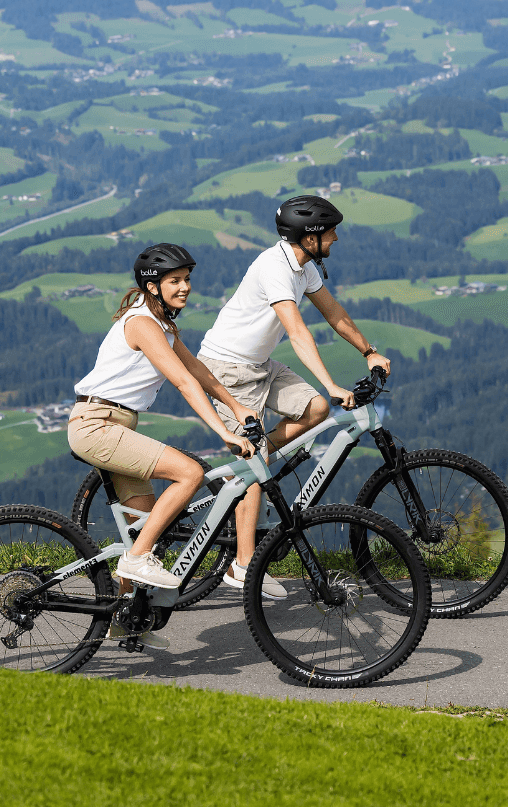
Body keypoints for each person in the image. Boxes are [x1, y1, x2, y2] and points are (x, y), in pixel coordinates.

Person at [196, 193, 393, 595]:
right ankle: (243, 565)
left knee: (315, 409)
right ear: (309, 237)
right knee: (259, 458)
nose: (337, 238)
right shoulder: (275, 268)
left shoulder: (304, 268)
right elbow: (298, 332)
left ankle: (251, 468)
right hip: (227, 370)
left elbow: (334, 313)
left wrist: (369, 351)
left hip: (261, 365)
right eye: (331, 232)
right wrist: (333, 384)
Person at [68, 242, 257, 649]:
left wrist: (236, 405)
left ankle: (127, 623)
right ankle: (136, 560)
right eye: (175, 281)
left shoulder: (164, 326)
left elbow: (199, 371)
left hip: (116, 425)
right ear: (152, 286)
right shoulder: (142, 323)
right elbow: (183, 382)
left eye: (187, 279)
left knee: (141, 529)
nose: (185, 287)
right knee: (189, 473)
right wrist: (223, 432)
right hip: (97, 425)